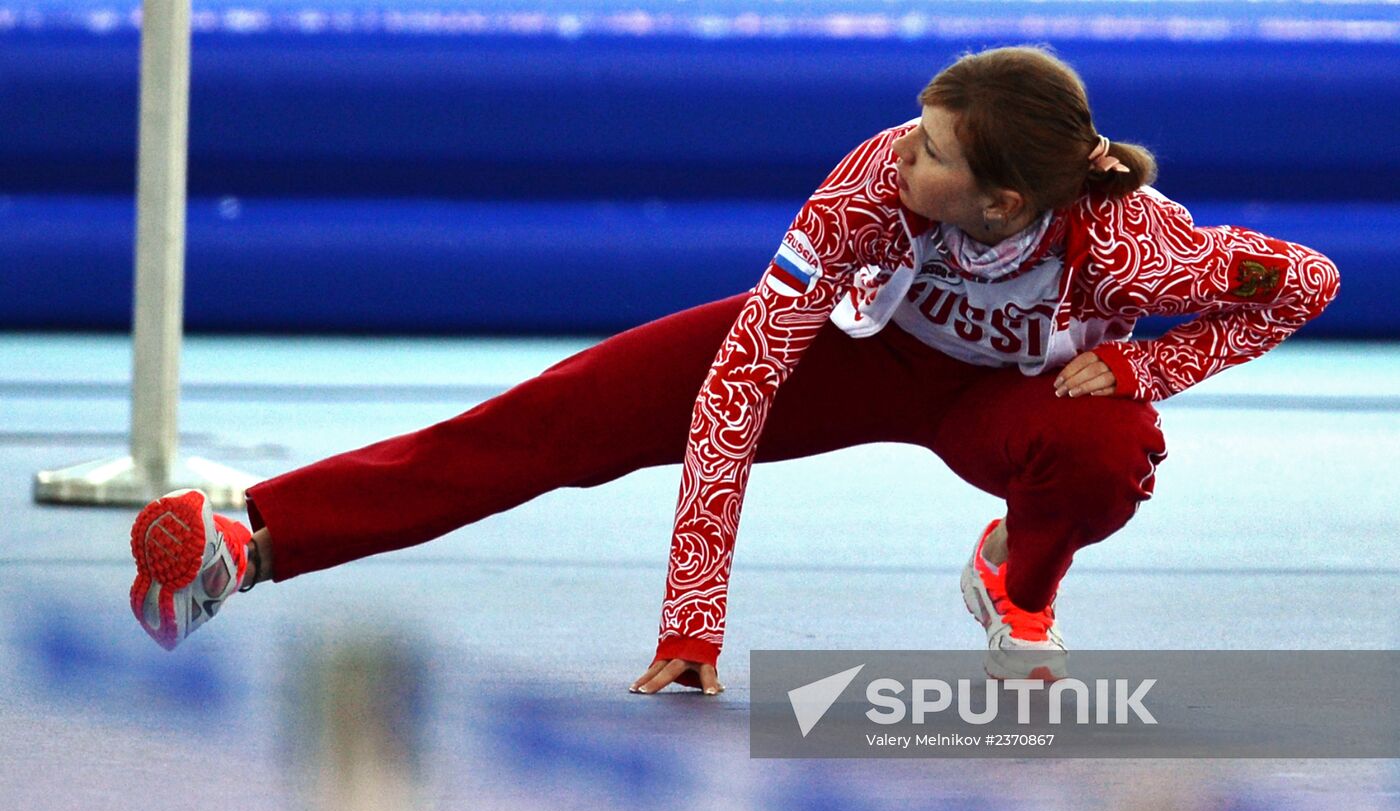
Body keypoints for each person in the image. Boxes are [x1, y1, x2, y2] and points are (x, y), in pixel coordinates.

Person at [126, 45, 1338, 693]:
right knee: (562, 414)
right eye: (913, 135)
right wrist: (692, 619)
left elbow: (1305, 281)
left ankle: (1017, 574)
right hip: (857, 358)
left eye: (929, 153)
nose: (897, 158)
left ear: (1001, 198)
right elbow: (739, 385)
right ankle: (258, 541)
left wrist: (1141, 376)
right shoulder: (870, 185)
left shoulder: (1138, 238)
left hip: (1010, 397)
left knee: (1106, 456)